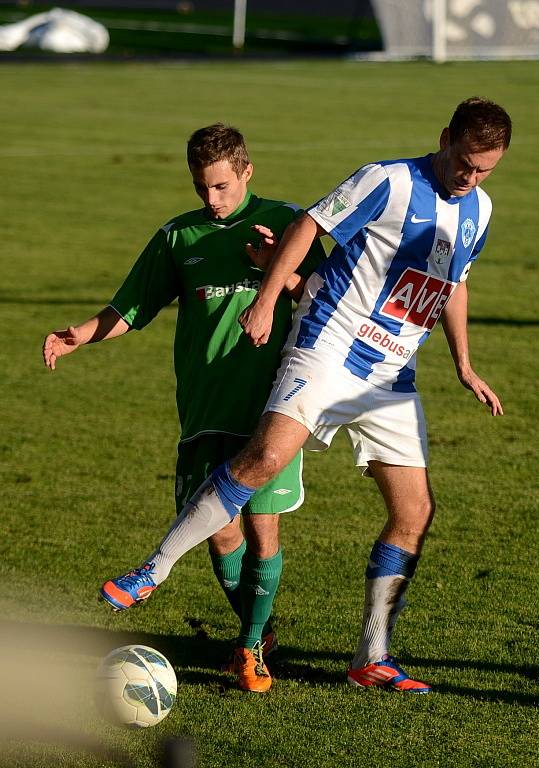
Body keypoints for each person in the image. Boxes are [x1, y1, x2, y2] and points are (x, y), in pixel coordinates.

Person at [100, 97, 512, 693]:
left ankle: (371, 656)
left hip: (390, 376)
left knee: (414, 512)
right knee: (264, 457)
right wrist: (267, 300)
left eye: (484, 170)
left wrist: (465, 364)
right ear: (445, 138)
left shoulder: (481, 208)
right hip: (329, 344)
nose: (470, 177)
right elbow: (308, 225)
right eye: (465, 163)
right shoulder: (388, 180)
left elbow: (454, 282)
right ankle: (154, 568)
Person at [42, 123, 324, 694]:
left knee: (261, 527)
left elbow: (326, 298)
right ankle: (256, 631)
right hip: (201, 404)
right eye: (202, 188)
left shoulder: (289, 222)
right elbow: (130, 307)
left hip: (271, 408)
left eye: (221, 186)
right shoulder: (179, 237)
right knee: (219, 537)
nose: (212, 200)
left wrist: (280, 269)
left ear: (246, 172)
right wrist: (81, 335)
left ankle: (250, 649)